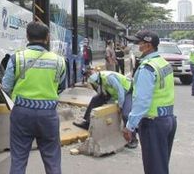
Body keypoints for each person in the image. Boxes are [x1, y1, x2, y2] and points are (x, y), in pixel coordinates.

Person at [1, 21, 66, 174]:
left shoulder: (17, 58)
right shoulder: (59, 61)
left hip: (22, 114)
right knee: (52, 159)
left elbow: (5, 86)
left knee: (18, 159)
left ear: (27, 36)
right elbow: (61, 87)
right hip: (48, 115)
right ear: (48, 38)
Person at [124, 30, 177, 174]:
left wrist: (130, 126)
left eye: (136, 43)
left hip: (153, 123)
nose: (133, 46)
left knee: (154, 169)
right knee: (160, 166)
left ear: (147, 46)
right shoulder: (163, 63)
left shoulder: (147, 68)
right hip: (168, 119)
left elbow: (141, 101)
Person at [72, 68, 138, 148]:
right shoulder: (100, 80)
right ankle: (87, 123)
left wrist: (120, 106)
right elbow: (104, 94)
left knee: (125, 114)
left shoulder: (109, 77)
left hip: (127, 91)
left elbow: (120, 92)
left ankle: (133, 139)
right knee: (95, 99)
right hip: (116, 94)